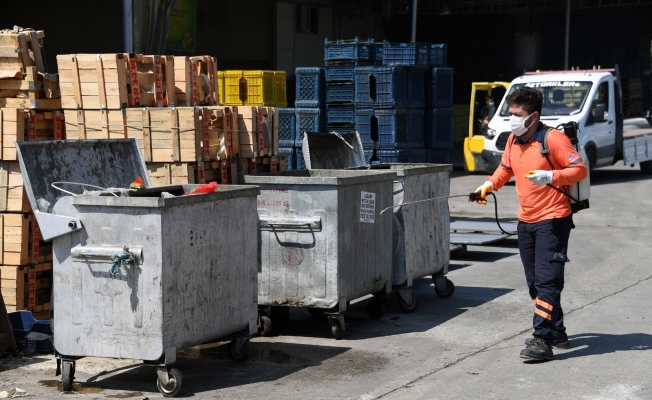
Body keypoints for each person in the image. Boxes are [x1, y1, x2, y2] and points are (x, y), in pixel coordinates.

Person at [474, 86, 587, 361]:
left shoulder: (554, 139)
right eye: (510, 112)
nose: (512, 118)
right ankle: (557, 331)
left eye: (517, 113)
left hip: (553, 219)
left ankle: (542, 340)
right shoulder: (514, 138)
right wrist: (489, 184)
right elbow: (506, 168)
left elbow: (579, 169)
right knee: (535, 284)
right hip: (526, 220)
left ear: (533, 115)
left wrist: (550, 177)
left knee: (548, 282)